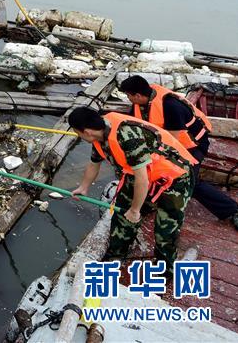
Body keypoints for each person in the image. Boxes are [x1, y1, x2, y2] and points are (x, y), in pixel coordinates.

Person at [69, 106, 196, 269]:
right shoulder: (99, 136)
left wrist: (135, 210)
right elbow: (94, 164)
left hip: (174, 177)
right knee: (122, 215)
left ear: (86, 132)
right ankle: (116, 254)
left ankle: (165, 269)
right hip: (139, 173)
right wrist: (83, 187)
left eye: (77, 132)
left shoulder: (127, 137)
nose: (78, 136)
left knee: (165, 229)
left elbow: (142, 179)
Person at [120, 75, 238, 230]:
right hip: (169, 142)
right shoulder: (141, 102)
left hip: (193, 146)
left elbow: (172, 142)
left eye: (128, 96)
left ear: (137, 95)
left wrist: (150, 158)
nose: (128, 99)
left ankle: (233, 209)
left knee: (190, 181)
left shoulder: (170, 106)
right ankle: (148, 200)